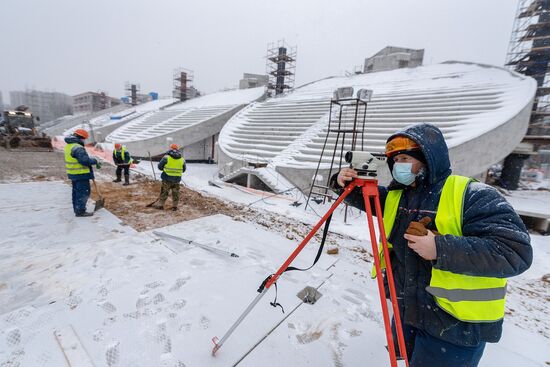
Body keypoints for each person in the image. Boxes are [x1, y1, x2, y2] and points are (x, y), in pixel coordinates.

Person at [334, 123, 532, 367]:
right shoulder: (400, 196)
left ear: (427, 158)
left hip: (453, 327)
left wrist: (441, 248)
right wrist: (342, 182)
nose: (398, 166)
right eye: (394, 160)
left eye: (405, 158)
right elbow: (369, 199)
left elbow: (515, 252)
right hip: (408, 313)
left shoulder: (473, 194)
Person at [64, 129, 100, 217]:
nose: (84, 141)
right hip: (81, 174)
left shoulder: (69, 146)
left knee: (76, 192)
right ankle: (80, 211)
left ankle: (77, 209)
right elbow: (84, 161)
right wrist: (95, 160)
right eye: (84, 139)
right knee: (83, 193)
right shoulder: (77, 147)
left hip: (74, 174)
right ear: (81, 138)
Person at [152, 143, 186, 211]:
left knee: (164, 192)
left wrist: (166, 169)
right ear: (177, 149)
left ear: (170, 149)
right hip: (177, 179)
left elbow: (159, 167)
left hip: (167, 178)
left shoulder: (166, 157)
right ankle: (175, 206)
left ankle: (160, 205)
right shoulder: (182, 159)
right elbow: (183, 170)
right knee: (175, 192)